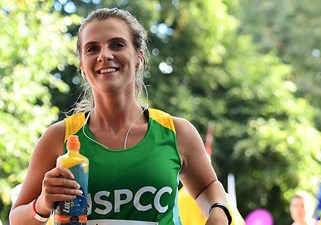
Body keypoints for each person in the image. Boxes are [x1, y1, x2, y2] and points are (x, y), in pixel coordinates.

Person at [9, 7, 231, 225]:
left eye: (117, 44)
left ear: (138, 57)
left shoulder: (176, 132)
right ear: (82, 67)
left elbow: (207, 187)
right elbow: (17, 219)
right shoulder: (59, 137)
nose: (104, 55)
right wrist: (43, 204)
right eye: (92, 49)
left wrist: (219, 212)